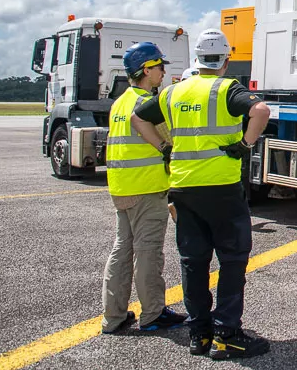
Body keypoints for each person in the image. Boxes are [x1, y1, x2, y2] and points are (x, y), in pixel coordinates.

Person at [131, 29, 271, 359]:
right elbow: (261, 111)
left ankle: (199, 334)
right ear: (226, 59)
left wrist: (164, 147)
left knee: (193, 263)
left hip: (183, 189)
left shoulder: (174, 92)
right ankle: (227, 335)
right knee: (232, 261)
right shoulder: (226, 88)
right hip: (221, 189)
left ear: (196, 57)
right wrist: (245, 144)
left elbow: (139, 118)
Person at [101, 42, 186, 334]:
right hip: (147, 188)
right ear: (147, 70)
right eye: (160, 67)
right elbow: (169, 141)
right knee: (149, 252)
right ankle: (152, 314)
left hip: (122, 187)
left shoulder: (121, 101)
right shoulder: (145, 104)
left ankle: (114, 317)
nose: (163, 72)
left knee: (122, 251)